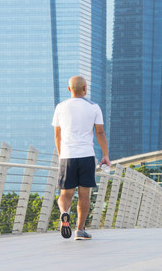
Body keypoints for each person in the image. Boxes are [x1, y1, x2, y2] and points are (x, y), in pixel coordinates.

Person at [52, 75, 110, 240]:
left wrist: (61, 155)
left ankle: (64, 213)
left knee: (65, 193)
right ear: (85, 89)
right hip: (86, 156)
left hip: (67, 156)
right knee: (84, 195)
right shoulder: (93, 107)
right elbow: (100, 132)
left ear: (69, 89)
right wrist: (105, 155)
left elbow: (57, 135)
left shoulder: (60, 107)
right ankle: (80, 230)